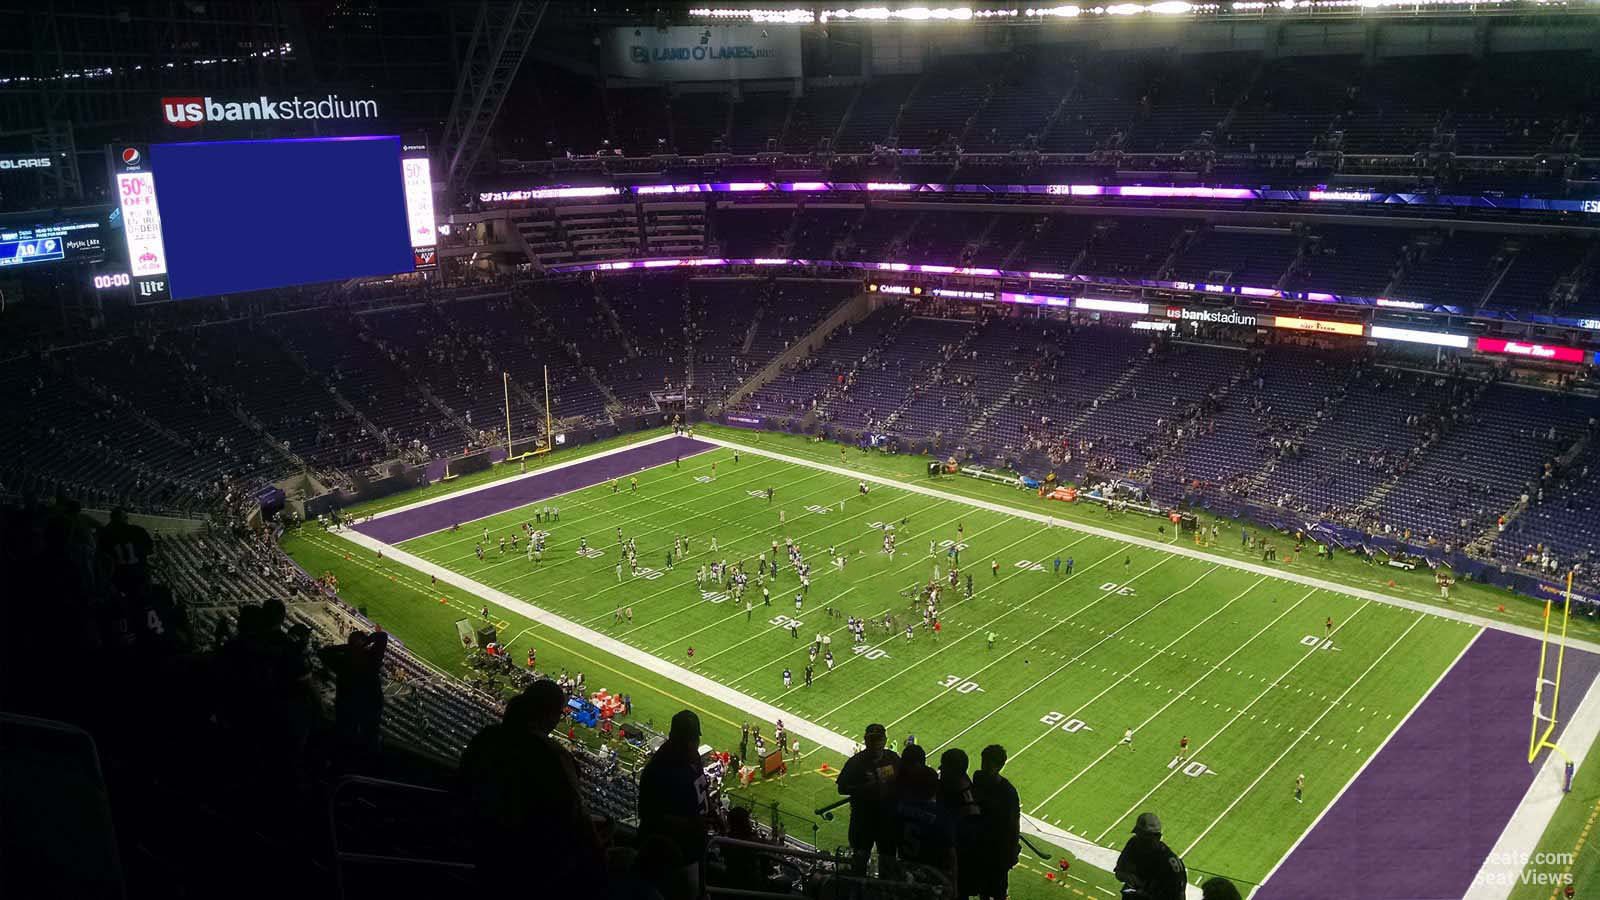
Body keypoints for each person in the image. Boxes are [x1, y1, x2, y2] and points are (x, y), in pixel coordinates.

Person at [459, 681, 601, 887]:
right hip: (531, 860)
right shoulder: (552, 754)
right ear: (548, 714)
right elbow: (573, 817)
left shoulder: (486, 736)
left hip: (480, 845)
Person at [638, 711, 711, 900]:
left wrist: (711, 813)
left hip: (695, 844)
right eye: (691, 739)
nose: (694, 744)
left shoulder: (691, 757)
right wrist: (690, 824)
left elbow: (699, 788)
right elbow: (651, 816)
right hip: (677, 852)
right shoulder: (659, 770)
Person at [837, 724, 901, 876]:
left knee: (888, 862)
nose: (875, 743)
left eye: (878, 739)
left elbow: (902, 780)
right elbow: (842, 788)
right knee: (859, 861)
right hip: (863, 820)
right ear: (866, 740)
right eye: (872, 739)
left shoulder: (893, 758)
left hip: (887, 820)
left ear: (885, 740)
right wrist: (866, 787)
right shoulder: (855, 762)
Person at [971, 744, 1020, 900]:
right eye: (983, 762)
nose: (984, 767)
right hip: (980, 845)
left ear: (999, 766)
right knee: (983, 889)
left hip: (997, 849)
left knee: (998, 890)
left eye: (988, 763)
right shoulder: (979, 779)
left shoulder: (1008, 792)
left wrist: (1011, 849)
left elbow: (1013, 824)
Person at [937, 748, 983, 899]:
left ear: (953, 771)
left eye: (944, 766)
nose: (940, 769)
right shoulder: (961, 790)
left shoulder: (966, 805)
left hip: (954, 867)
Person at [1114, 813, 1187, 900]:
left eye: (1144, 838)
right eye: (1138, 836)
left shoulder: (1170, 864)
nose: (1140, 841)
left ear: (1157, 837)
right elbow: (1119, 871)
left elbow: (1179, 896)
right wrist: (1128, 878)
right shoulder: (1133, 844)